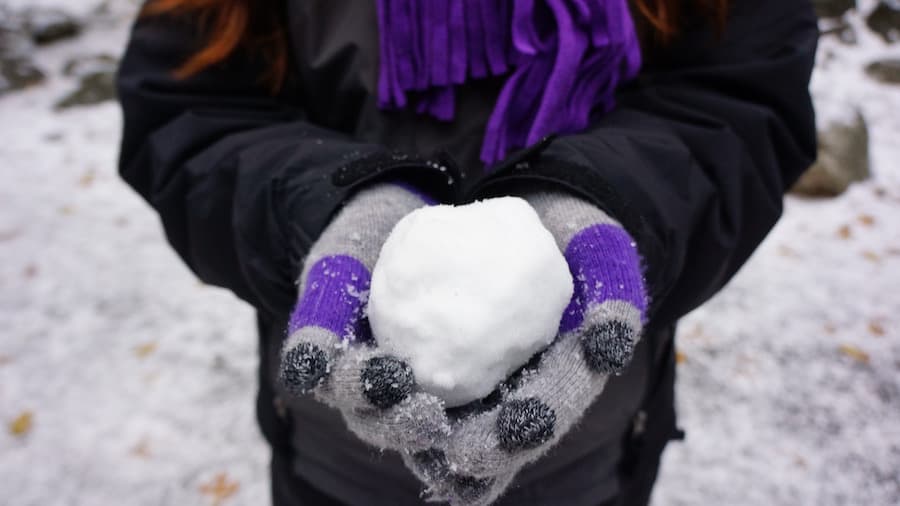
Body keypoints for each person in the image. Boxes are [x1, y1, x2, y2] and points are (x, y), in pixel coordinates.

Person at [116, 0, 818, 505]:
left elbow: (742, 102)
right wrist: (325, 206)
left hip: (594, 439)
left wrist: (611, 200)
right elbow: (187, 110)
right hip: (336, 447)